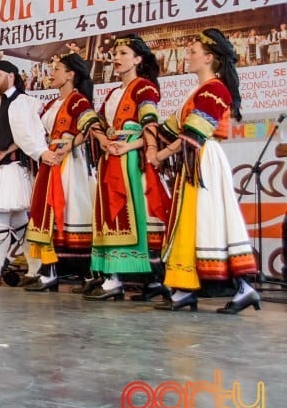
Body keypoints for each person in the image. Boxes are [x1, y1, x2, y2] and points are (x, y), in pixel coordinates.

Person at [153, 29, 259, 313]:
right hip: (194, 161)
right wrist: (147, 142)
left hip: (203, 160)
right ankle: (185, 288)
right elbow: (170, 128)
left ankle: (244, 288)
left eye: (193, 52)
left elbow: (193, 135)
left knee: (209, 221)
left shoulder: (216, 89)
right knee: (193, 222)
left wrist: (160, 154)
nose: (187, 56)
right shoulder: (199, 90)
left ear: (209, 58)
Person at [86, 34, 165, 300]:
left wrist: (130, 147)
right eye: (115, 54)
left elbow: (151, 125)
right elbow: (95, 122)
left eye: (123, 53)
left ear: (138, 59)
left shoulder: (144, 88)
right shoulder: (113, 92)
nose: (116, 58)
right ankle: (114, 275)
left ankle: (147, 278)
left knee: (134, 213)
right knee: (110, 213)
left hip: (131, 160)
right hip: (112, 156)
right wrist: (104, 140)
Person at [0, 60, 55, 286]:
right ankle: (36, 268)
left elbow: (29, 135)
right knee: (17, 220)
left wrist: (5, 151)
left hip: (13, 166)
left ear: (12, 77)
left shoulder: (25, 102)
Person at [25, 53, 99, 291]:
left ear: (71, 75)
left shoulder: (78, 100)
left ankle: (85, 273)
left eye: (57, 69)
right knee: (48, 213)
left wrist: (70, 144)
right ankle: (49, 270)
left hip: (70, 164)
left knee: (70, 213)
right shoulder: (51, 104)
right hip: (51, 160)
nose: (52, 73)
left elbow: (92, 127)